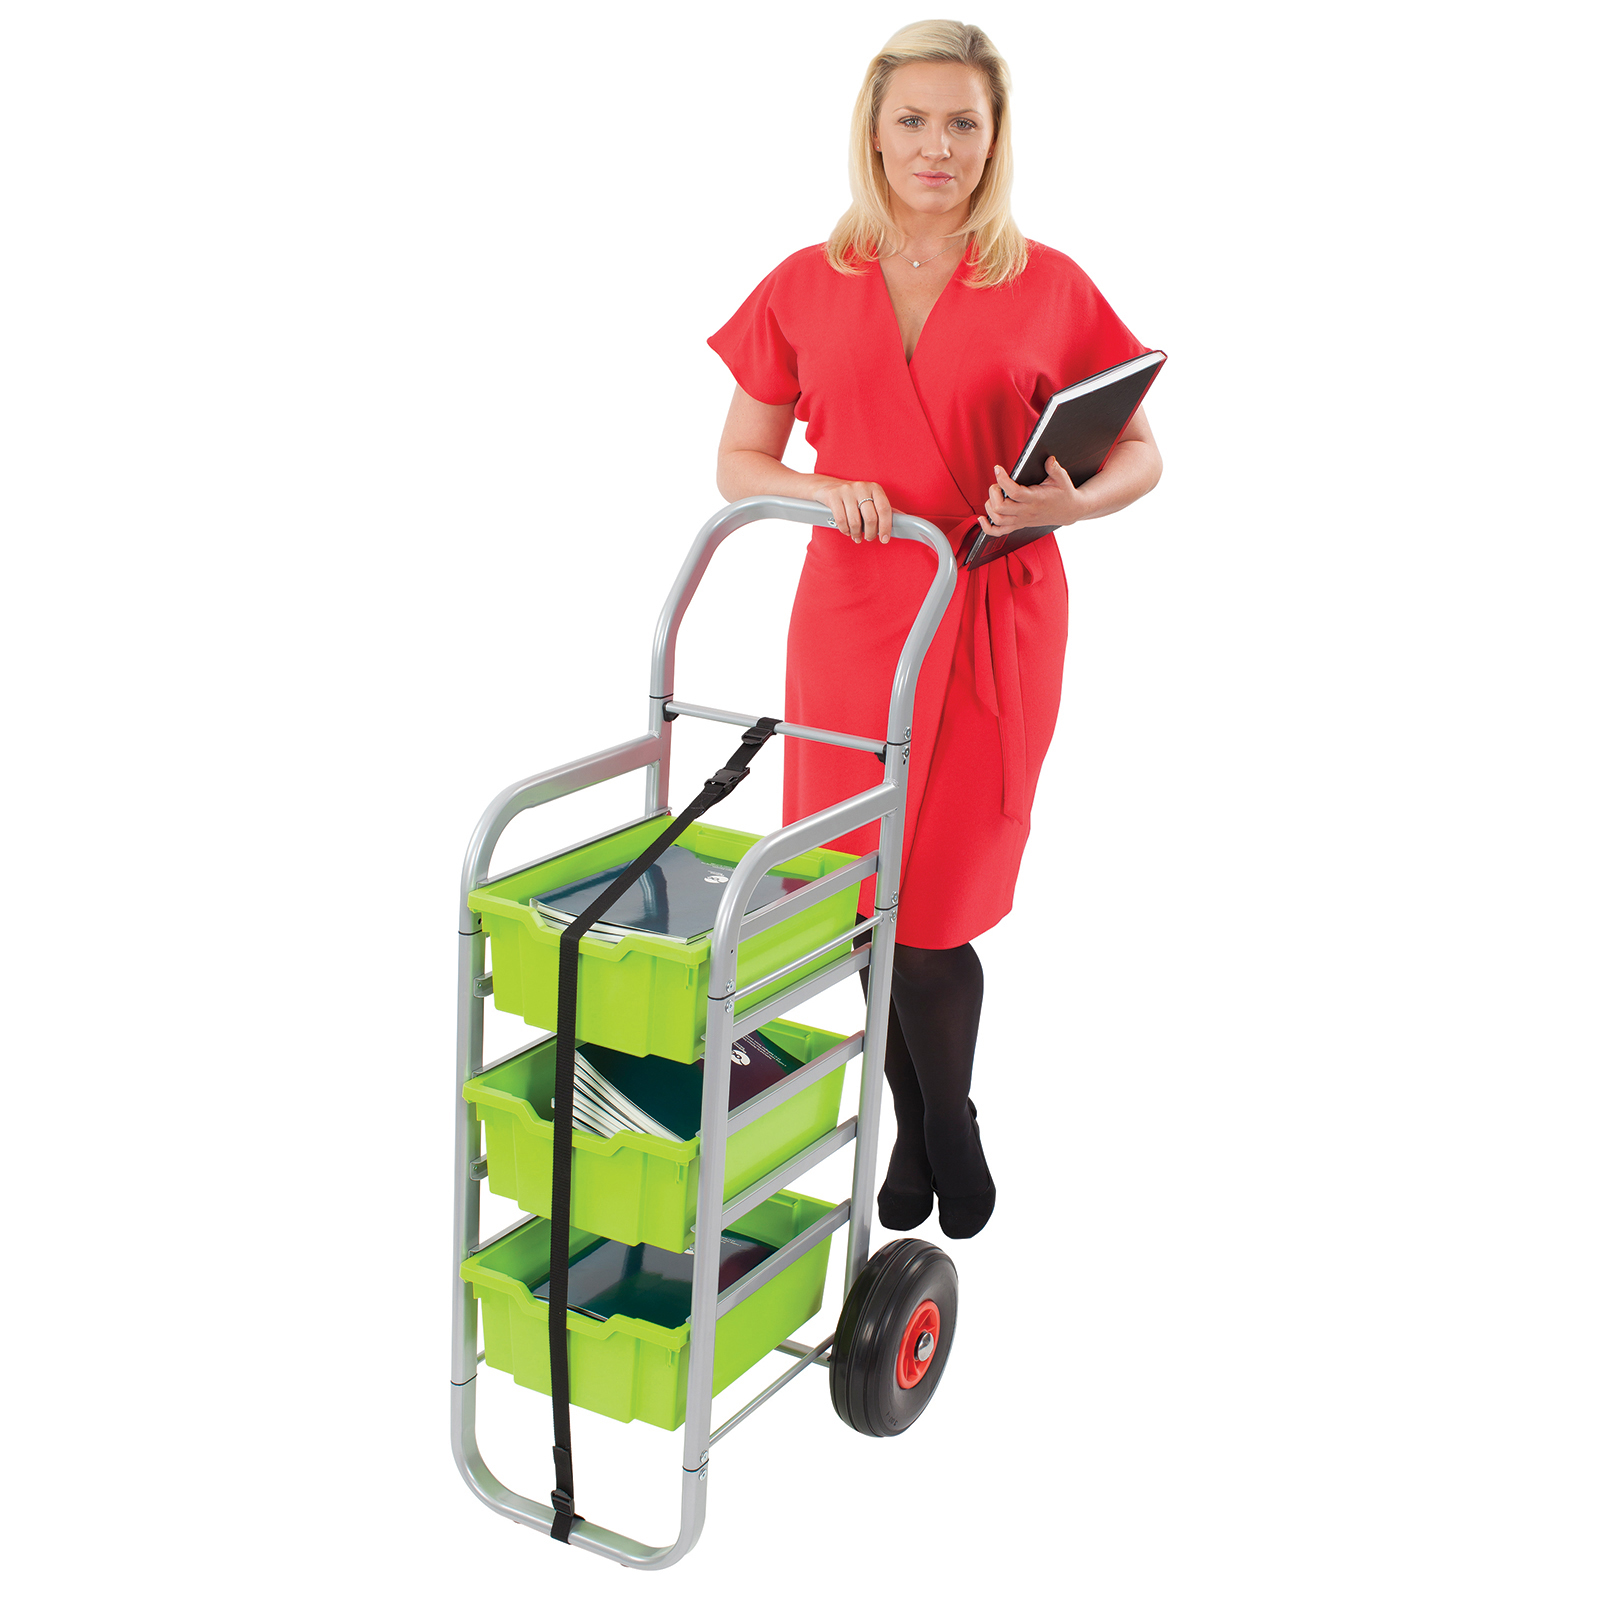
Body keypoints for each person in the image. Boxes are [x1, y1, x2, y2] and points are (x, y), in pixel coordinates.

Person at [708, 20, 1162, 1240]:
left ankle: (940, 1126)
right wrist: (826, 489)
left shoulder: (1047, 282)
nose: (936, 146)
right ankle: (921, 1124)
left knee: (936, 906)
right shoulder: (806, 280)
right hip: (852, 618)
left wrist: (1073, 503)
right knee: (861, 891)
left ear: (994, 138)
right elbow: (738, 459)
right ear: (872, 132)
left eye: (963, 122)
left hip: (990, 612)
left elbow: (1140, 449)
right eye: (912, 120)